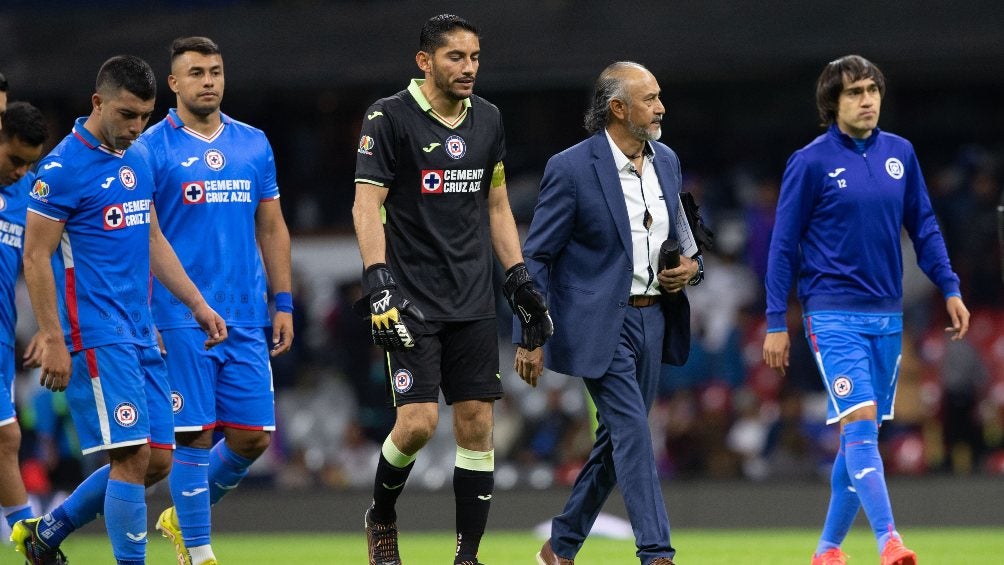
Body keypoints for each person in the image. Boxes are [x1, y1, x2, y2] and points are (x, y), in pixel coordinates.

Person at [13, 54, 227, 565]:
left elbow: (152, 236)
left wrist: (197, 303)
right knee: (130, 458)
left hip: (142, 329)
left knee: (156, 460)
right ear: (97, 103)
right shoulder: (62, 168)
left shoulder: (140, 156)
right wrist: (53, 336)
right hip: (97, 334)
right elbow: (36, 255)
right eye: (127, 115)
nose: (136, 127)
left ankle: (46, 532)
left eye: (145, 116)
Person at [352, 14, 550, 565]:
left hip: (472, 299)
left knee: (478, 423)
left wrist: (518, 277)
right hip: (410, 298)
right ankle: (382, 516)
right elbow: (367, 204)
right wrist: (377, 279)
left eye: (475, 58)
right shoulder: (387, 118)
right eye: (455, 57)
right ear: (425, 61)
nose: (468, 68)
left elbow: (495, 204)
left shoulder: (488, 119)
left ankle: (467, 555)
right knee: (417, 424)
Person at [762, 55, 970, 565]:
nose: (868, 99)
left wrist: (949, 286)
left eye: (873, 89)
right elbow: (783, 246)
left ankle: (828, 550)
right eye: (855, 92)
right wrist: (774, 322)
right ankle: (889, 541)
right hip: (831, 312)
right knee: (859, 424)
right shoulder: (809, 162)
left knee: (863, 435)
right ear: (832, 103)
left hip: (886, 313)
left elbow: (924, 227)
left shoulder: (901, 153)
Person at [516, 61, 699, 565]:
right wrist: (530, 330)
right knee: (635, 434)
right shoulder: (571, 168)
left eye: (660, 96)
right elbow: (538, 256)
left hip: (654, 319)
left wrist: (692, 268)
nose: (661, 107)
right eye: (650, 99)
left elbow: (684, 239)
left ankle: (561, 547)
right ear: (618, 108)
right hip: (599, 324)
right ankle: (656, 553)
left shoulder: (667, 162)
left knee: (618, 441)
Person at [136, 36, 293, 565]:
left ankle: (184, 514)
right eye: (197, 72)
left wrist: (285, 301)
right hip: (179, 315)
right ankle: (199, 551)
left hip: (246, 311)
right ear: (174, 84)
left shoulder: (254, 144)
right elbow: (144, 238)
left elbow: (271, 227)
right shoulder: (151, 147)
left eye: (216, 71)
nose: (209, 80)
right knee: (194, 436)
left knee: (252, 438)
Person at [0, 101, 48, 536]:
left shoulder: (30, 196)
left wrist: (51, 331)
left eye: (29, 163)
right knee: (7, 437)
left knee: (7, 439)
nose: (20, 171)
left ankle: (30, 543)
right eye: (15, 159)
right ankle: (33, 545)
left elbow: (41, 261)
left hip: (1, 339)